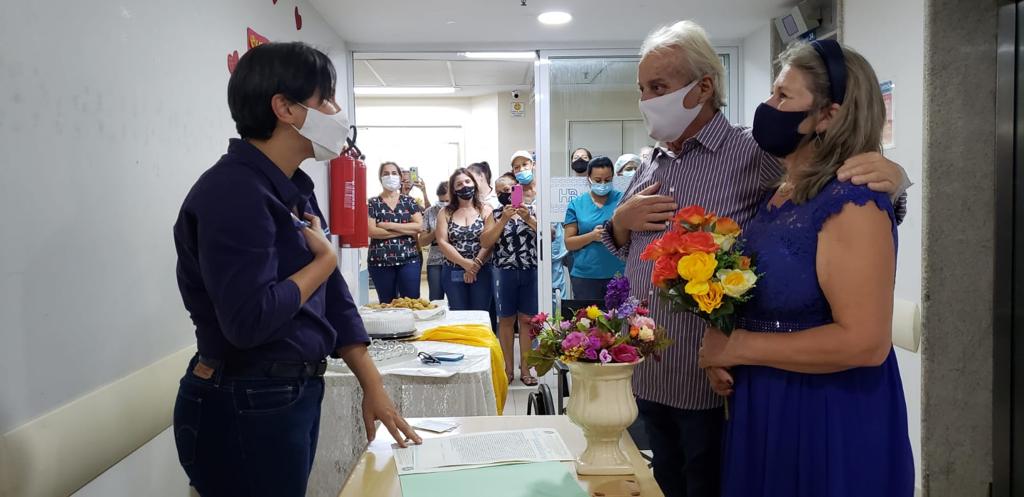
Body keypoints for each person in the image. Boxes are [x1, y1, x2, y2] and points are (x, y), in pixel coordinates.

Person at [602, 21, 910, 497]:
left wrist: (895, 181)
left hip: (752, 390)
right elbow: (638, 248)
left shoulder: (754, 154)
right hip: (671, 373)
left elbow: (839, 194)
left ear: (703, 87)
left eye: (658, 88)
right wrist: (619, 223)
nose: (646, 101)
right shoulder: (653, 163)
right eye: (642, 89)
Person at [171, 42, 420, 497]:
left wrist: (372, 383)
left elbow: (333, 298)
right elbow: (249, 320)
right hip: (245, 396)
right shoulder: (234, 192)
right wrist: (324, 262)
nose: (337, 112)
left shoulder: (291, 189)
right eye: (326, 99)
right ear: (285, 108)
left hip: (287, 392)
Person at [698, 40, 914, 497]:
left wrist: (739, 347)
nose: (768, 106)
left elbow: (865, 343)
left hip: (826, 414)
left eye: (783, 95)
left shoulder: (852, 202)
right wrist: (726, 351)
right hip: (766, 401)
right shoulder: (779, 193)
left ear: (828, 116)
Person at [482, 167, 539, 386]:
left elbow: (550, 235)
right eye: (500, 192)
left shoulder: (533, 210)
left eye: (509, 189)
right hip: (503, 272)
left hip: (529, 270)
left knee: (527, 320)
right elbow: (486, 242)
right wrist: (503, 220)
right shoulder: (495, 214)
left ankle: (525, 368)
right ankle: (507, 369)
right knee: (506, 320)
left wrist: (529, 219)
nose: (505, 194)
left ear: (518, 189)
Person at [564, 156, 626, 299]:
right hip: (585, 276)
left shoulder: (623, 200)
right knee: (586, 314)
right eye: (598, 180)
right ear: (589, 179)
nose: (603, 184)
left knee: (619, 313)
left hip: (617, 273)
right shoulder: (576, 204)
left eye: (608, 180)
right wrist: (592, 236)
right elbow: (569, 243)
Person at [436, 168, 494, 313]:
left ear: (474, 183)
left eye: (467, 181)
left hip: (482, 269)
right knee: (459, 313)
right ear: (454, 189)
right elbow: (442, 242)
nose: (465, 186)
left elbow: (490, 241)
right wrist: (464, 263)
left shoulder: (486, 209)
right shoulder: (445, 212)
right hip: (453, 269)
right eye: (459, 184)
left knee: (480, 313)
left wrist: (475, 265)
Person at [368, 162, 424, 304]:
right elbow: (371, 231)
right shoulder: (373, 203)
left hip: (409, 259)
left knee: (411, 302)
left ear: (400, 177)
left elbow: (419, 226)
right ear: (380, 178)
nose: (390, 176)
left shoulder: (409, 201)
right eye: (386, 173)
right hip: (380, 261)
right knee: (387, 304)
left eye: (394, 173)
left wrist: (389, 225)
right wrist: (406, 230)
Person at [419, 182, 449, 302]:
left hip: (456, 261)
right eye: (442, 201)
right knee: (435, 299)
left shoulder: (460, 210)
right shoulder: (430, 212)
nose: (444, 204)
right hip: (435, 260)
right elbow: (422, 241)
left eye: (447, 200)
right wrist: (436, 231)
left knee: (457, 300)